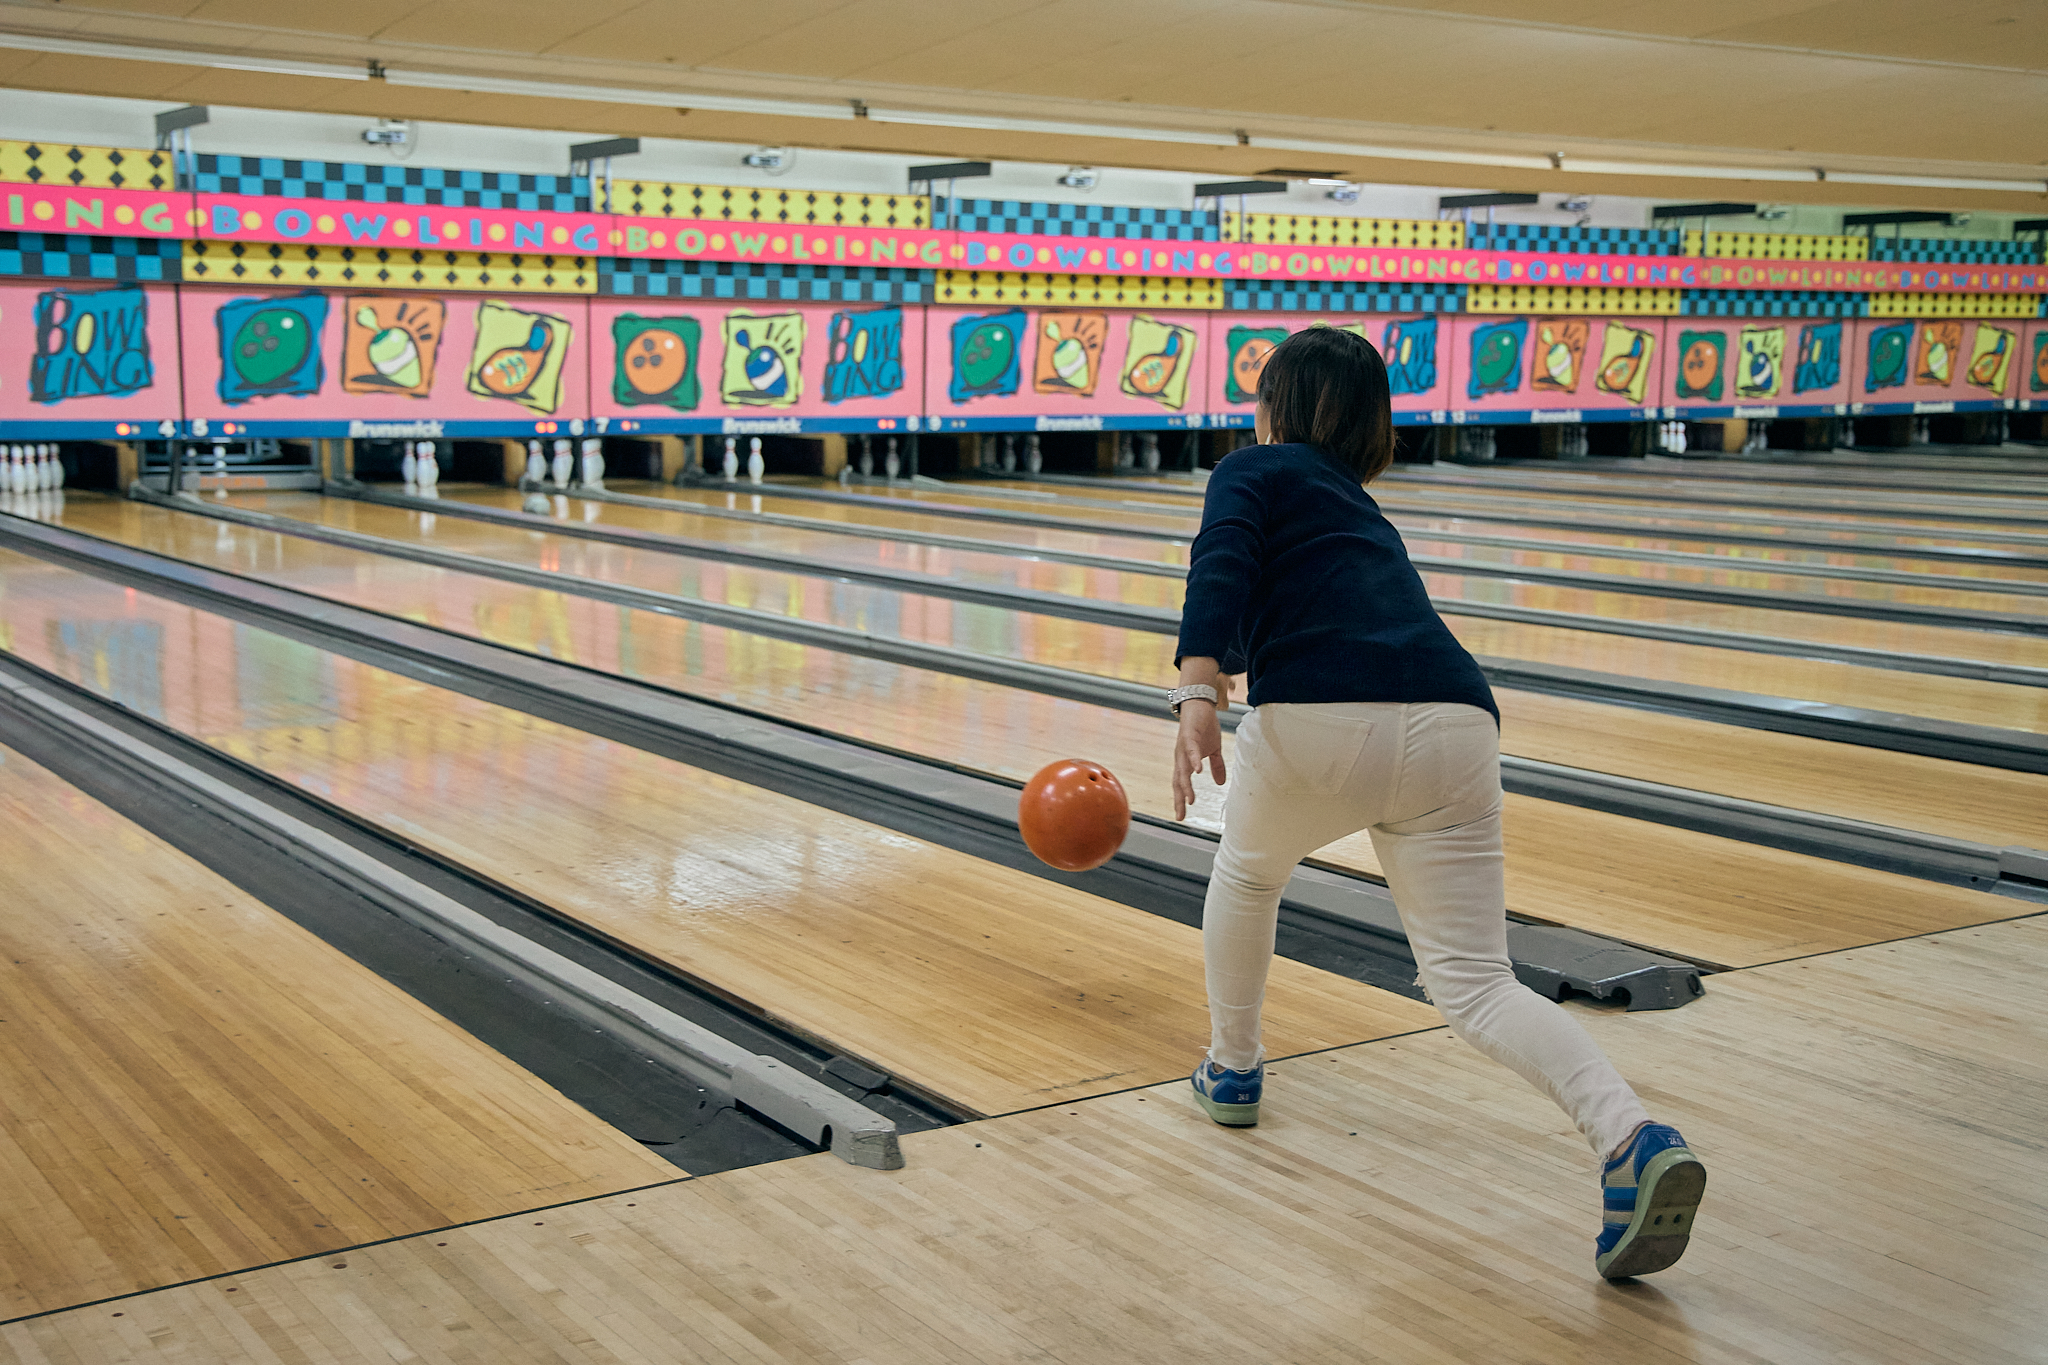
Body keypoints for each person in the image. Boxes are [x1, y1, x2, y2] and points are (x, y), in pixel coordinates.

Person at [1166, 325, 1705, 1281]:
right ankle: (1630, 1137)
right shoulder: (1363, 510)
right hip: (1459, 724)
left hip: (1324, 722)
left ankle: (1234, 1066)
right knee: (1477, 982)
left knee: (1249, 876)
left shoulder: (1253, 470)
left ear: (1276, 411)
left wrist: (1198, 690)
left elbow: (1223, 559)